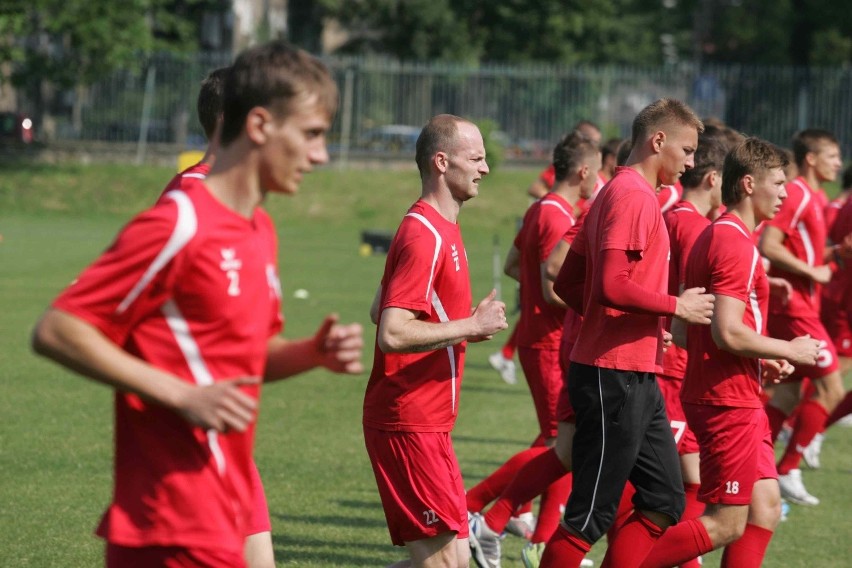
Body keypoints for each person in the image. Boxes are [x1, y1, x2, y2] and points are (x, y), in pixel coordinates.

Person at [30, 41, 364, 567]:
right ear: (258, 126)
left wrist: (310, 353)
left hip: (222, 514)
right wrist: (182, 394)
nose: (321, 155)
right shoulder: (178, 221)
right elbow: (58, 328)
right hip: (168, 526)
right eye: (312, 135)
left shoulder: (260, 230)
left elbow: (241, 359)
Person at [539, 98, 715, 568]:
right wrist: (675, 306)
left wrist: (638, 322)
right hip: (610, 373)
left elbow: (569, 284)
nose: (692, 161)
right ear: (658, 141)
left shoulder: (618, 192)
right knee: (589, 516)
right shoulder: (634, 196)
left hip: (633, 370)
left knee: (664, 499)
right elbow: (611, 285)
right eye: (688, 149)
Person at [640, 137, 821, 568]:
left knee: (766, 507)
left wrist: (761, 357)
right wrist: (789, 349)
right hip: (726, 400)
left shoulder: (719, 234)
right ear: (746, 184)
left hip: (735, 392)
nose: (784, 193)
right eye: (777, 183)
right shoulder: (733, 242)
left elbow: (687, 331)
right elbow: (725, 332)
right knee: (726, 523)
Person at [363, 114, 508, 568]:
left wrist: (461, 325)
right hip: (408, 422)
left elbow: (378, 308)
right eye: (477, 158)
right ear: (442, 162)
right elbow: (390, 330)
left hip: (431, 423)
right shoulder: (423, 233)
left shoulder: (443, 228)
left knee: (455, 562)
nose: (485, 168)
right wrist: (468, 326)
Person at [467, 131, 602, 568]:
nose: (599, 180)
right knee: (560, 443)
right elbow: (550, 288)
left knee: (561, 440)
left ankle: (517, 520)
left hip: (542, 338)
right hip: (547, 342)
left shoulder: (541, 210)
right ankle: (479, 510)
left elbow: (512, 265)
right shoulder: (557, 216)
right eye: (598, 171)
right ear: (583, 172)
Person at [759, 129, 847, 506]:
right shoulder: (795, 192)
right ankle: (788, 467)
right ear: (810, 158)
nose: (839, 163)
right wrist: (813, 274)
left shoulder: (815, 197)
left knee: (788, 393)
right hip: (793, 308)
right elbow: (769, 244)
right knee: (832, 389)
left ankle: (759, 464)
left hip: (802, 307)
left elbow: (807, 254)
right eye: (832, 155)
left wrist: (837, 252)